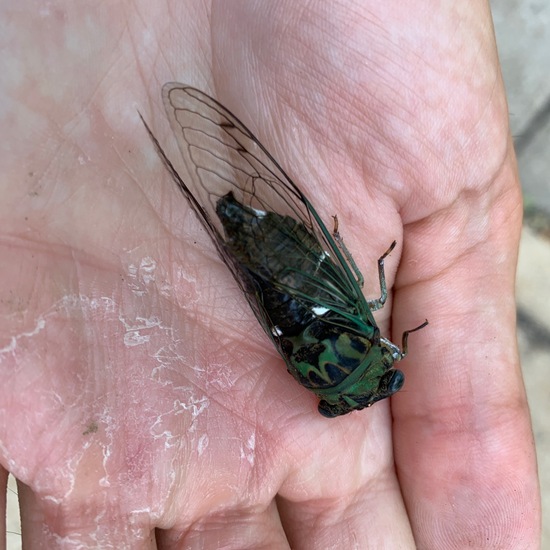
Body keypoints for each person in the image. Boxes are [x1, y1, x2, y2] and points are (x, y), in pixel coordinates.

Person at [0, 1, 540, 547]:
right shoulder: (310, 377)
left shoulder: (371, 335)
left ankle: (235, 219)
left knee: (322, 262)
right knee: (259, 266)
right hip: (274, 282)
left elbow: (370, 287)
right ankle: (234, 220)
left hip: (314, 267)